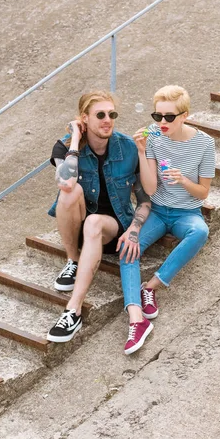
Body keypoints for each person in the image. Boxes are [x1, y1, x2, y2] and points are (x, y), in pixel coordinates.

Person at [47, 90, 152, 345]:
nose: (108, 120)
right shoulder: (65, 145)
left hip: (111, 228)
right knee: (71, 191)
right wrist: (75, 140)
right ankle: (73, 260)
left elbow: (145, 199)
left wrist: (135, 229)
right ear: (84, 118)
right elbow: (65, 182)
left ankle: (74, 310)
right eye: (100, 115)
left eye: (112, 114)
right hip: (78, 227)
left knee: (94, 222)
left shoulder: (126, 148)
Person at [118, 85, 215, 354]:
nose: (162, 123)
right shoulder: (154, 141)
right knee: (128, 248)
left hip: (187, 213)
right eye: (157, 116)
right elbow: (149, 190)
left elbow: (204, 192)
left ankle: (151, 287)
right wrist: (141, 151)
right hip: (158, 211)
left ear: (184, 116)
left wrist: (183, 180)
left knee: (200, 232)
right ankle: (136, 321)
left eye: (169, 117)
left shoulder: (205, 144)